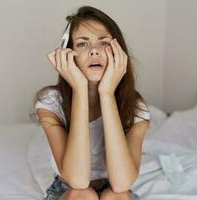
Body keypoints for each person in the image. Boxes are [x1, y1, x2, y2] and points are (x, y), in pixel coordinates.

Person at [34, 5, 150, 200]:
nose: (94, 51)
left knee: (116, 196)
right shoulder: (50, 102)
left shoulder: (136, 107)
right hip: (68, 190)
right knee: (84, 194)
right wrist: (80, 88)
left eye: (104, 43)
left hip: (115, 190)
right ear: (68, 53)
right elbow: (77, 181)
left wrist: (107, 94)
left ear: (117, 52)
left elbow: (121, 184)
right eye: (82, 44)